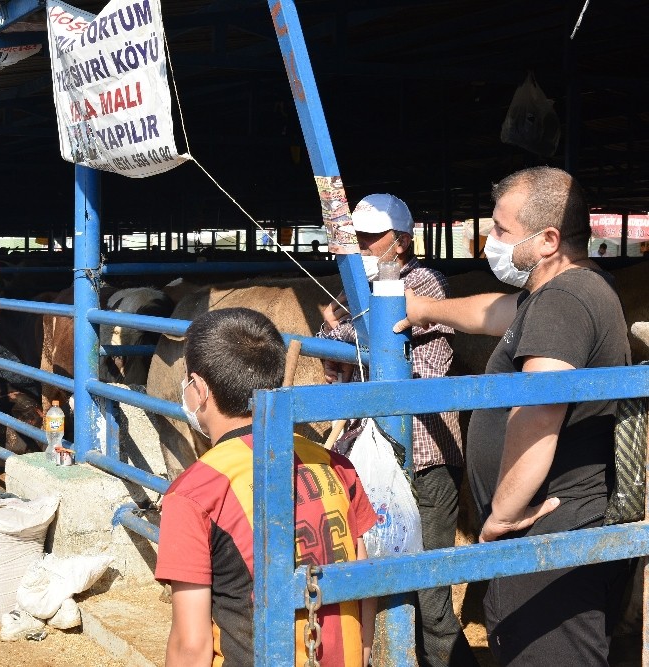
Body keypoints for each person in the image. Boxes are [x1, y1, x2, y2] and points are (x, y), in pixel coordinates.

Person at [397, 166, 631, 666]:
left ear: (548, 239)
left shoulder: (563, 301)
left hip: (551, 533)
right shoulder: (555, 293)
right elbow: (493, 313)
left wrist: (501, 516)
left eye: (502, 230)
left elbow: (538, 411)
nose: (492, 241)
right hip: (557, 528)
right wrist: (425, 310)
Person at [155, 307, 377, 667]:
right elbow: (362, 578)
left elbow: (191, 646)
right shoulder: (335, 465)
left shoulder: (194, 493)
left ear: (198, 390)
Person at [318, 193, 476, 667]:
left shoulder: (424, 282)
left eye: (373, 238)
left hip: (423, 457)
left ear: (402, 242)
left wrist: (340, 328)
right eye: (357, 239)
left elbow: (397, 351)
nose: (363, 247)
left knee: (428, 599)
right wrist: (338, 332)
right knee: (380, 581)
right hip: (369, 457)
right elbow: (330, 360)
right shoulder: (354, 290)